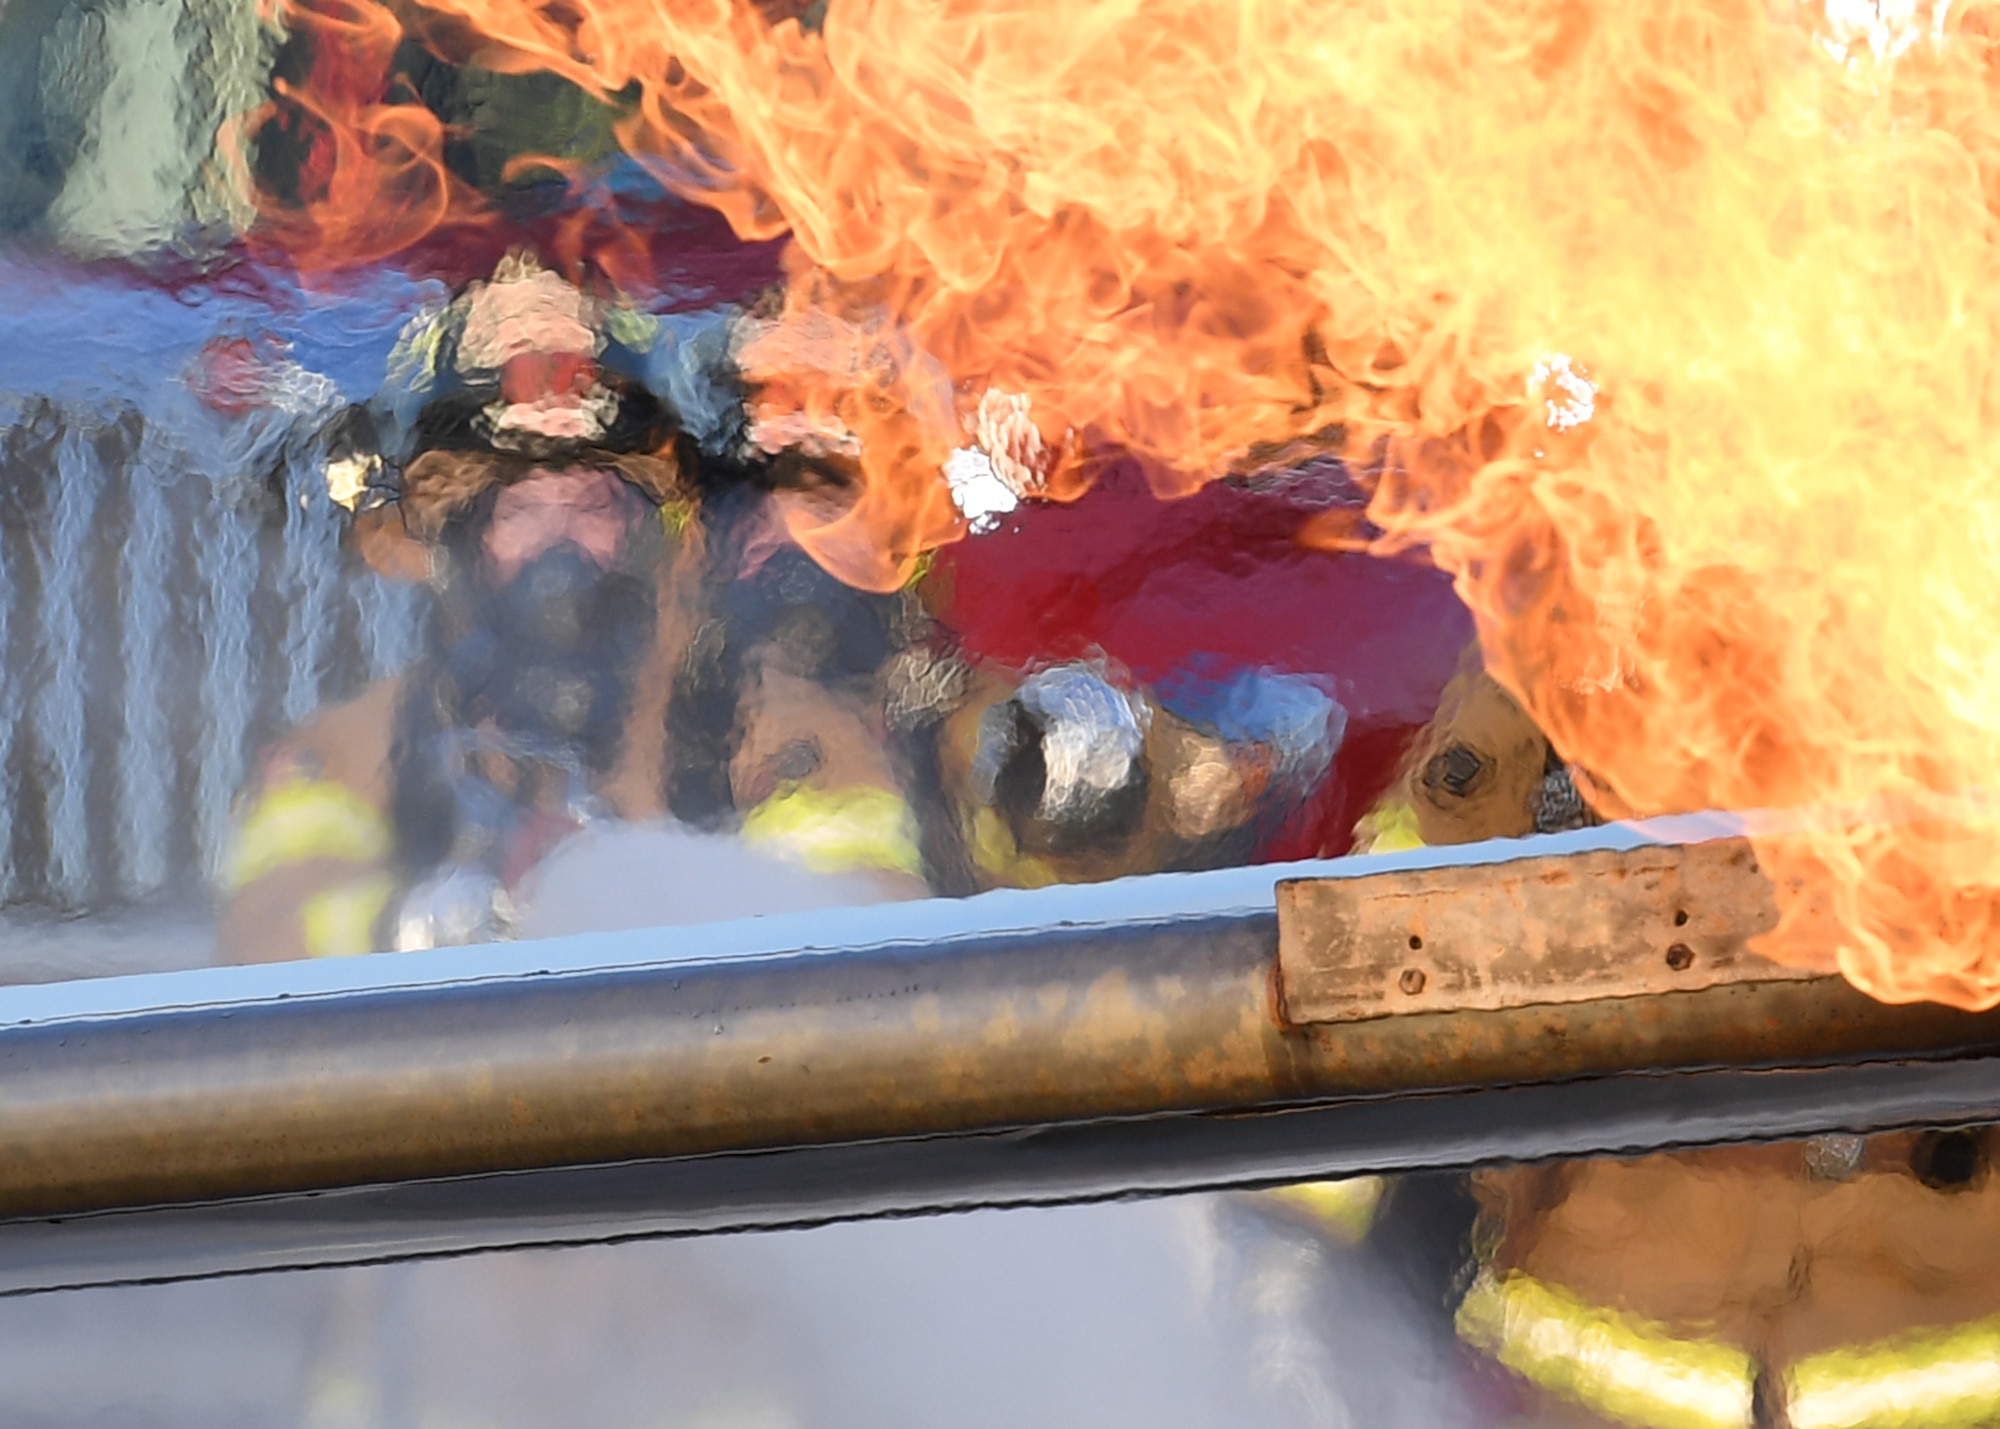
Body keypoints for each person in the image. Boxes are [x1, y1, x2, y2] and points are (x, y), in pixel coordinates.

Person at [219, 252, 1347, 960]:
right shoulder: (353, 753)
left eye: (594, 500)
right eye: (521, 504)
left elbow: (857, 936)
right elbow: (252, 960)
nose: (564, 544)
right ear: (450, 537)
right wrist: (424, 924)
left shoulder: (788, 742)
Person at [1357, 655, 2000, 1429]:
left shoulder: (1950, 635)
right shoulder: (1590, 644)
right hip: (1587, 1351)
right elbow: (1401, 919)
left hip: (1914, 1351)